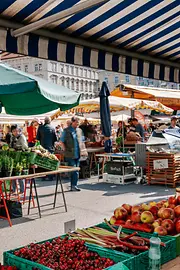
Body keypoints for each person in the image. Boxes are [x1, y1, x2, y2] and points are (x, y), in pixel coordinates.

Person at [60, 116, 87, 191]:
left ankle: (74, 184)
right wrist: (64, 149)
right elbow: (61, 141)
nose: (77, 124)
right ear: (72, 122)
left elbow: (82, 141)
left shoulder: (79, 130)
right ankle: (73, 185)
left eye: (78, 122)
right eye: (76, 122)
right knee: (74, 169)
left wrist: (83, 150)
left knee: (77, 169)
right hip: (70, 154)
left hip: (77, 153)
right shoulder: (66, 130)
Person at [10, 125, 28, 193]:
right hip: (14, 157)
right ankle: (14, 189)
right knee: (13, 173)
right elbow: (11, 145)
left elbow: (25, 147)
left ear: (19, 130)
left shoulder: (22, 137)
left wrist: (17, 147)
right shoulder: (13, 137)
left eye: (16, 130)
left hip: (21, 157)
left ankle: (22, 190)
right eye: (13, 131)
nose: (15, 132)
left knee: (19, 173)